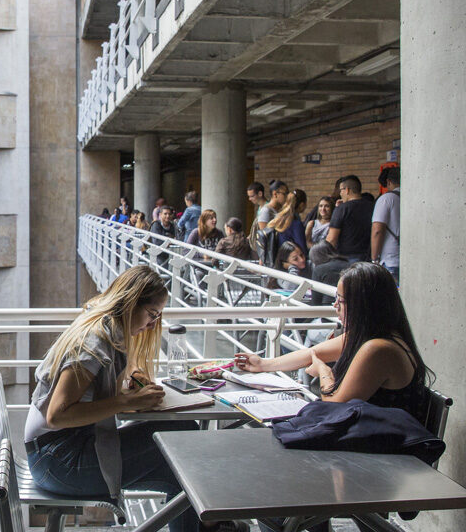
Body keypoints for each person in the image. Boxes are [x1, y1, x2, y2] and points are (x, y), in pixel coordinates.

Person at [24, 266, 209, 532]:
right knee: (184, 446)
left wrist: (128, 382)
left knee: (180, 468)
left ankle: (208, 525)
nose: (153, 324)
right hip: (56, 460)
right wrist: (127, 402)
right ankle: (211, 525)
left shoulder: (104, 328)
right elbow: (57, 415)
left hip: (58, 452)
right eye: (152, 314)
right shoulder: (94, 342)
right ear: (132, 303)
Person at [236, 261, 433, 411]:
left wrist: (323, 371)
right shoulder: (371, 336)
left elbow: (336, 404)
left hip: (383, 455)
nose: (335, 306)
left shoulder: (378, 349)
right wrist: (263, 364)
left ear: (364, 305)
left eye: (341, 300)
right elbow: (312, 353)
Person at [326, 175, 374, 262]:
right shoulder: (373, 207)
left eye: (341, 190)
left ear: (347, 190)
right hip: (368, 257)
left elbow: (332, 238)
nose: (340, 193)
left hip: (346, 259)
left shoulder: (342, 209)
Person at [371, 167, 400, 283]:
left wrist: (374, 258)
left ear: (388, 182)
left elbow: (377, 230)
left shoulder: (386, 199)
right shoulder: (415, 197)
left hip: (391, 259)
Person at [266, 189, 308, 255]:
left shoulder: (278, 219)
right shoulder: (296, 224)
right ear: (302, 205)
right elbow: (302, 250)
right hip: (291, 261)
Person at [245, 182, 268, 251]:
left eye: (252, 196)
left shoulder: (266, 209)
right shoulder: (260, 208)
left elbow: (264, 233)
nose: (249, 199)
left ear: (260, 194)